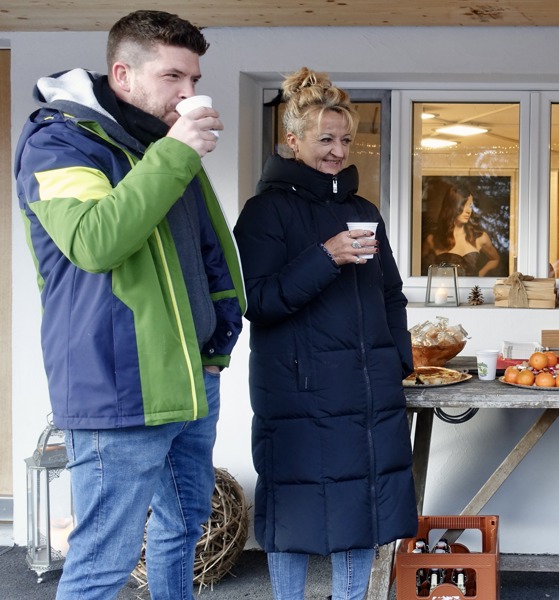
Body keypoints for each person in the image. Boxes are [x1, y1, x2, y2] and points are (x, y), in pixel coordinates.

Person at [13, 10, 244, 600]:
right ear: (123, 73)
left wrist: (217, 344)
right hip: (118, 389)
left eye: (193, 79)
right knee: (104, 562)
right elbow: (95, 240)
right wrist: (175, 155)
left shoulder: (161, 147)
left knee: (182, 527)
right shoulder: (58, 142)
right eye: (173, 77)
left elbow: (206, 251)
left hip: (191, 379)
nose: (188, 93)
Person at [233, 67, 418, 600]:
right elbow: (259, 301)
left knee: (362, 509)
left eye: (344, 139)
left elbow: (389, 294)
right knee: (292, 512)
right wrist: (326, 257)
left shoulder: (363, 210)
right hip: (298, 393)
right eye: (325, 139)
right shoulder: (266, 211)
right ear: (293, 141)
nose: (338, 151)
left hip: (365, 391)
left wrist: (396, 360)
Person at [421, 178, 502, 276]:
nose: (468, 211)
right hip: (445, 290)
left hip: (473, 291)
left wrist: (480, 274)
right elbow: (418, 266)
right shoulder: (432, 240)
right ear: (452, 206)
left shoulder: (480, 237)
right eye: (463, 205)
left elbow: (495, 259)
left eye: (470, 206)